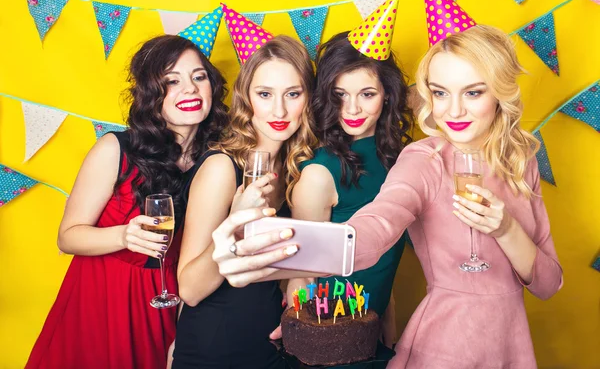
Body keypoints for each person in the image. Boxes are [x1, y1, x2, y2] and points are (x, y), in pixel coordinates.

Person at [207, 24, 564, 368]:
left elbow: (548, 285)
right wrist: (261, 256)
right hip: (445, 345)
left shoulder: (522, 160)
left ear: (500, 91)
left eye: (473, 92)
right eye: (440, 93)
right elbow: (377, 225)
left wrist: (505, 230)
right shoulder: (423, 160)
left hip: (512, 344)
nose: (452, 111)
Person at [25, 34, 229, 369]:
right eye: (172, 80)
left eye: (198, 76)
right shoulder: (115, 149)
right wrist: (123, 236)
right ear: (151, 94)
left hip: (167, 307)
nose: (190, 89)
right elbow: (68, 236)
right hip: (101, 304)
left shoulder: (217, 163)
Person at [172, 32, 317, 369]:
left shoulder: (299, 169)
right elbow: (190, 289)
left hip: (272, 347)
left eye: (292, 94)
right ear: (246, 99)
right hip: (216, 348)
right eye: (265, 94)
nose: (279, 109)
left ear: (308, 99)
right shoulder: (222, 167)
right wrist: (235, 225)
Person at [290, 29, 413, 349]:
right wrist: (310, 345)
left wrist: (388, 321)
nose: (353, 109)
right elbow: (300, 275)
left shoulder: (399, 158)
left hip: (375, 327)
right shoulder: (319, 175)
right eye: (340, 94)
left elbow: (383, 254)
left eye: (367, 94)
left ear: (387, 93)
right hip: (331, 333)